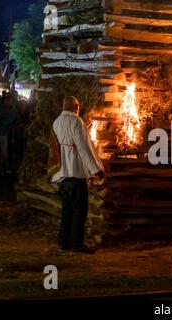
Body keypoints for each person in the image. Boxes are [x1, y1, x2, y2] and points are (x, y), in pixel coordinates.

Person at [49, 96, 105, 253]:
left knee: (67, 209)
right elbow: (83, 148)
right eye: (78, 106)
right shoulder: (76, 122)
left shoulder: (56, 122)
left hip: (61, 175)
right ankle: (76, 244)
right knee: (80, 210)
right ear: (75, 106)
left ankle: (63, 242)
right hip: (75, 172)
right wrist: (96, 170)